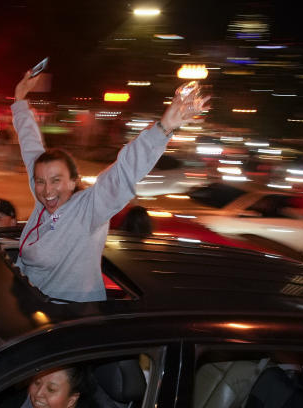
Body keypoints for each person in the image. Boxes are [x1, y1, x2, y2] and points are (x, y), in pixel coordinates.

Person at [11, 70, 209, 302]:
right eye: (41, 181)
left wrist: (163, 128)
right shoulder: (43, 202)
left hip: (67, 321)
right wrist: (19, 99)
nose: (47, 190)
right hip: (30, 308)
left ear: (73, 182)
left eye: (56, 180)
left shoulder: (87, 210)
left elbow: (123, 171)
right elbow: (31, 147)